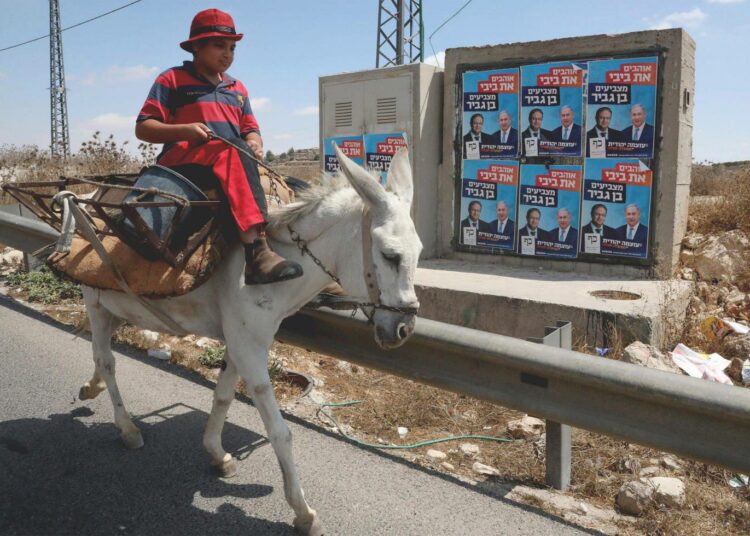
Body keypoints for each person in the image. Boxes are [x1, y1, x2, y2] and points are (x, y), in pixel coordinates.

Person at [135, 8, 303, 285]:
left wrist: (254, 143)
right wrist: (185, 131)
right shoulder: (172, 80)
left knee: (293, 186)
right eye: (219, 46)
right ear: (196, 48)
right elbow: (143, 127)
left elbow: (250, 127)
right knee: (235, 151)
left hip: (231, 159)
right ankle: (257, 251)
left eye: (232, 47)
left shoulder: (237, 89)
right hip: (184, 165)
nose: (228, 54)